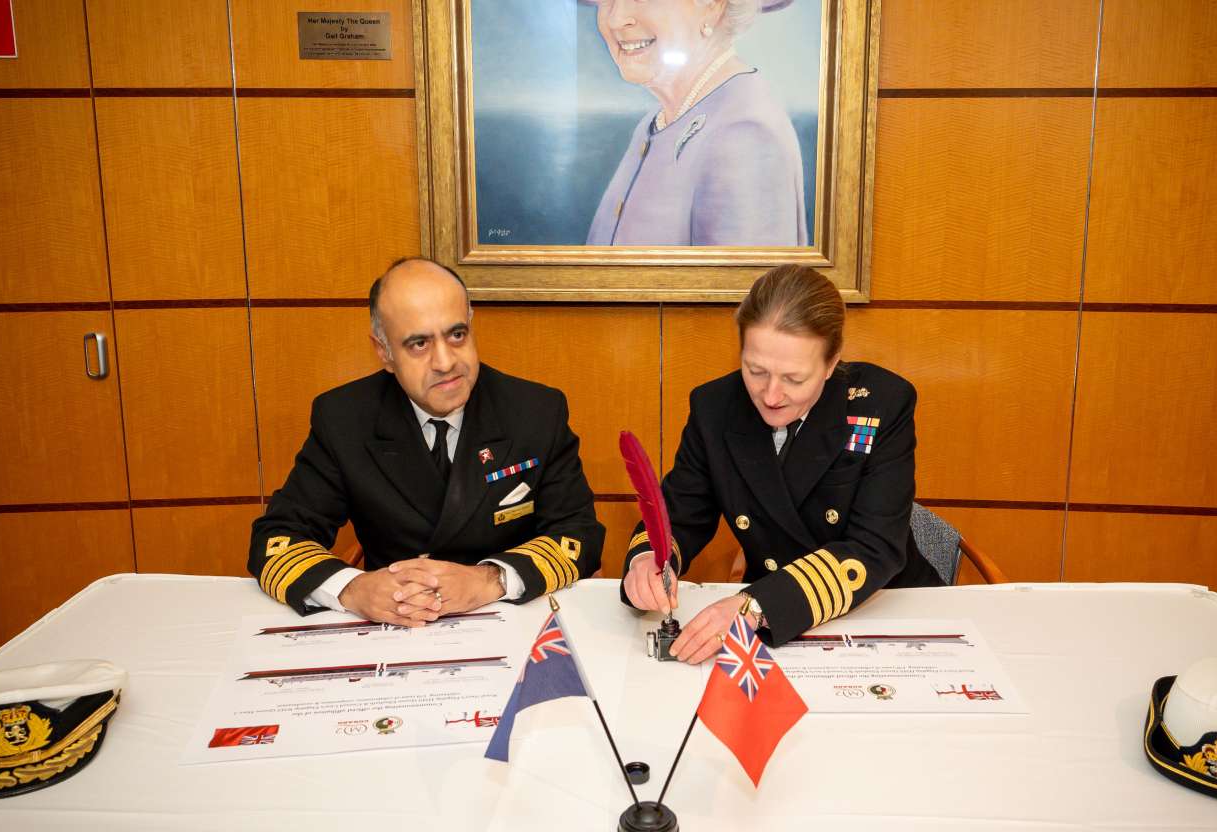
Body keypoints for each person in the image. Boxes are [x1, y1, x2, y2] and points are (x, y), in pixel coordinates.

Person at [249, 257, 604, 625]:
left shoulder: (534, 411)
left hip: (508, 619)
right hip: (394, 623)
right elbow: (277, 539)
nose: (446, 362)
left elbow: (577, 535)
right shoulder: (344, 419)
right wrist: (353, 589)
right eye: (419, 343)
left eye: (457, 335)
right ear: (384, 351)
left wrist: (490, 579)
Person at [621, 264, 941, 662]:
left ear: (830, 363)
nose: (771, 396)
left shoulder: (882, 403)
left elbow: (873, 546)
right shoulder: (715, 408)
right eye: (756, 371)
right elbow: (680, 515)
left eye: (794, 379)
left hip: (878, 610)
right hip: (775, 623)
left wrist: (753, 606)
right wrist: (646, 562)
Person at [584, 0, 807, 246]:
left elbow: (745, 282)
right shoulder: (657, 121)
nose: (616, 19)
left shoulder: (744, 135)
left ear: (713, 5)